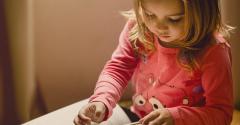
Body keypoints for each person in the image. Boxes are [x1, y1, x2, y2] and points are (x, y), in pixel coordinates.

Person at [74, 0, 234, 125]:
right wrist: (102, 99)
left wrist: (176, 118)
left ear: (203, 14)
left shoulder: (213, 52)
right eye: (149, 14)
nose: (158, 27)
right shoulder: (139, 29)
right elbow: (118, 68)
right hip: (139, 116)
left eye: (174, 19)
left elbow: (221, 113)